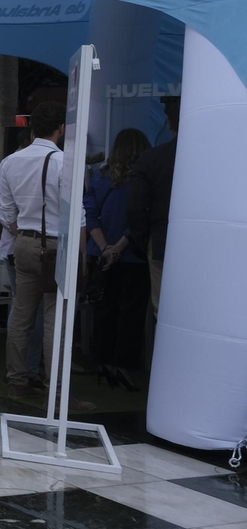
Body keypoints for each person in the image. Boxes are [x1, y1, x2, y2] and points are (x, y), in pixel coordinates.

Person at [0, 101, 67, 397]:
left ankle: (17, 379)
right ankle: (55, 388)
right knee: (52, 317)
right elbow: (76, 213)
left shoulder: (12, 161)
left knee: (21, 313)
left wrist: (16, 226)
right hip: (54, 243)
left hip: (23, 241)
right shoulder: (63, 162)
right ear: (61, 128)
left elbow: (2, 205)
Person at [86, 127, 153, 391]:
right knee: (131, 314)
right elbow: (140, 217)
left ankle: (102, 363)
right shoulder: (143, 178)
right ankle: (122, 367)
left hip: (100, 254)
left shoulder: (101, 176)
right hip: (133, 256)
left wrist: (105, 247)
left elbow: (89, 212)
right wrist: (119, 247)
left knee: (104, 309)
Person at [127, 96, 179, 332]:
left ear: (169, 122)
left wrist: (143, 240)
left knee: (164, 311)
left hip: (161, 242)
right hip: (205, 248)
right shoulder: (217, 158)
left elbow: (136, 207)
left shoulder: (152, 158)